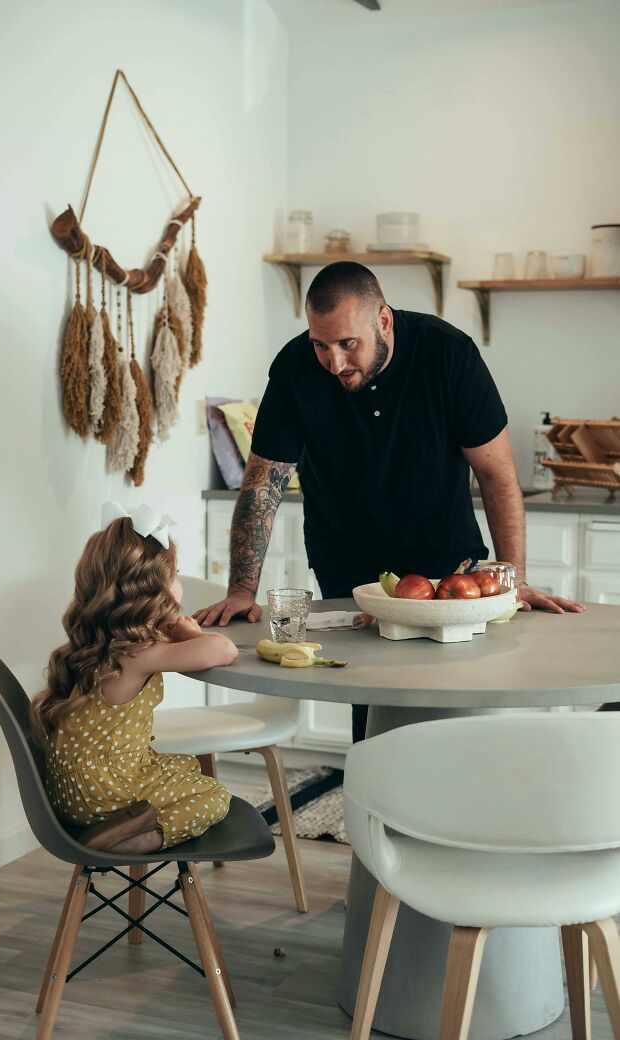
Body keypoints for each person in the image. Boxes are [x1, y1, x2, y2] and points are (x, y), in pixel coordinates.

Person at [195, 261, 585, 744]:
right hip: (347, 569)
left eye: (347, 344)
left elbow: (497, 476)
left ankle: (449, 808)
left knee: (452, 700)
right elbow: (262, 484)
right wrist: (240, 589)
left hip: (447, 563)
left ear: (383, 321)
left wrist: (512, 579)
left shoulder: (448, 354)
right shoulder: (296, 367)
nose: (333, 363)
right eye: (321, 344)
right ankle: (375, 802)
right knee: (371, 699)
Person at [31, 502, 237, 854]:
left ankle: (132, 821)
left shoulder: (99, 641)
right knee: (215, 795)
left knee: (186, 765)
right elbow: (224, 650)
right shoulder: (140, 654)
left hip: (71, 790)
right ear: (157, 588)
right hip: (106, 794)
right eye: (177, 574)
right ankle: (138, 838)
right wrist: (192, 635)